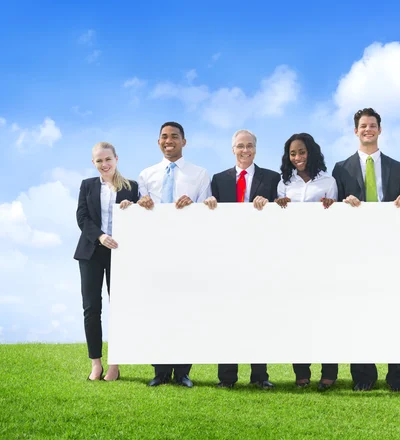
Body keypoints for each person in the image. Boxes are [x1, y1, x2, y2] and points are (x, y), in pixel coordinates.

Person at [331, 108, 400, 392]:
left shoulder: (398, 167)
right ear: (356, 131)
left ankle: (397, 378)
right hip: (356, 249)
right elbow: (332, 208)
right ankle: (363, 377)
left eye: (372, 125)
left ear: (379, 129)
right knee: (358, 310)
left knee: (394, 311)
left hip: (391, 248)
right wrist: (343, 202)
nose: (368, 130)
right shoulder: (340, 168)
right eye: (363, 126)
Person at [138, 121, 216, 388]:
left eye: (174, 136)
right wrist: (142, 203)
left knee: (186, 309)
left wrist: (194, 206)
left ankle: (183, 371)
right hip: (157, 250)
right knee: (159, 309)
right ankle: (160, 371)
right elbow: (139, 212)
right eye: (163, 136)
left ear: (184, 141)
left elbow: (209, 207)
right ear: (158, 142)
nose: (168, 140)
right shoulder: (146, 175)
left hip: (188, 249)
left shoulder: (199, 173)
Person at [210, 129, 280, 389]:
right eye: (240, 146)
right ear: (233, 149)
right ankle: (227, 378)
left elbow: (282, 209)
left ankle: (260, 376)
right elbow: (211, 211)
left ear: (256, 148)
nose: (245, 150)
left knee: (258, 315)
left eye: (250, 145)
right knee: (227, 315)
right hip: (227, 256)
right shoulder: (219, 179)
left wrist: (270, 203)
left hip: (260, 255)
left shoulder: (272, 178)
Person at [274, 132, 337, 390]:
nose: (297, 157)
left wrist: (332, 205)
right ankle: (301, 373)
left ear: (310, 152)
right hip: (294, 258)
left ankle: (328, 372)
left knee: (325, 315)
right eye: (292, 154)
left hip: (323, 256)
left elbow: (335, 215)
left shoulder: (328, 180)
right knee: (297, 317)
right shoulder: (283, 183)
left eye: (301, 152)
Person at [74, 141, 139, 382]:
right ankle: (96, 364)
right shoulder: (87, 185)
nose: (104, 164)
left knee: (119, 308)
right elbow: (81, 216)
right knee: (91, 308)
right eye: (99, 160)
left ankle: (115, 364)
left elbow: (143, 214)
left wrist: (132, 207)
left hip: (121, 253)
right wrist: (100, 237)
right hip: (91, 251)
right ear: (94, 163)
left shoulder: (131, 187)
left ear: (116, 159)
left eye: (108, 159)